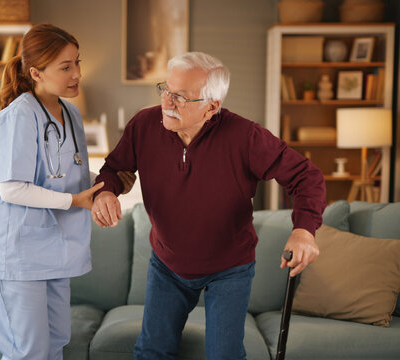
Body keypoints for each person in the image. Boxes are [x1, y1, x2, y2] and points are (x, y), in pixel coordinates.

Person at [91, 52, 326, 359]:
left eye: (180, 97)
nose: (167, 102)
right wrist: (106, 192)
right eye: (165, 90)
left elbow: (307, 177)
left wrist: (304, 231)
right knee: (151, 352)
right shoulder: (144, 125)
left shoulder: (246, 137)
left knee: (224, 355)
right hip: (168, 264)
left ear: (211, 106)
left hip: (229, 269)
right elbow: (112, 170)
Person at [0, 23, 135, 360]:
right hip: (18, 256)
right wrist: (74, 200)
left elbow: (68, 173)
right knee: (29, 352)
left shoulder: (71, 113)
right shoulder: (17, 117)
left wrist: (109, 184)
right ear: (36, 72)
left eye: (77, 62)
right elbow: (11, 188)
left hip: (54, 254)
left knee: (55, 345)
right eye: (66, 67)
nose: (77, 73)